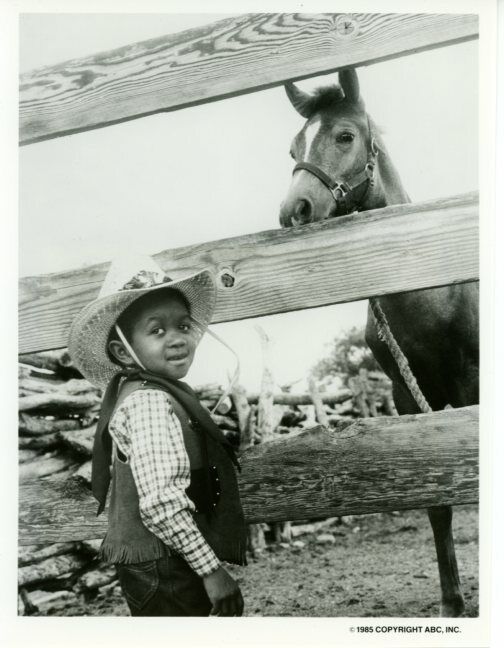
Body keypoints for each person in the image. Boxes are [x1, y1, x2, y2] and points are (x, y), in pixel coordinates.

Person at [68, 255, 247, 616]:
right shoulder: (149, 402)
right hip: (165, 564)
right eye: (157, 331)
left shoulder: (152, 392)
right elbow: (161, 505)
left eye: (183, 326)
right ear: (122, 351)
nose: (178, 339)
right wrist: (212, 571)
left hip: (167, 558)